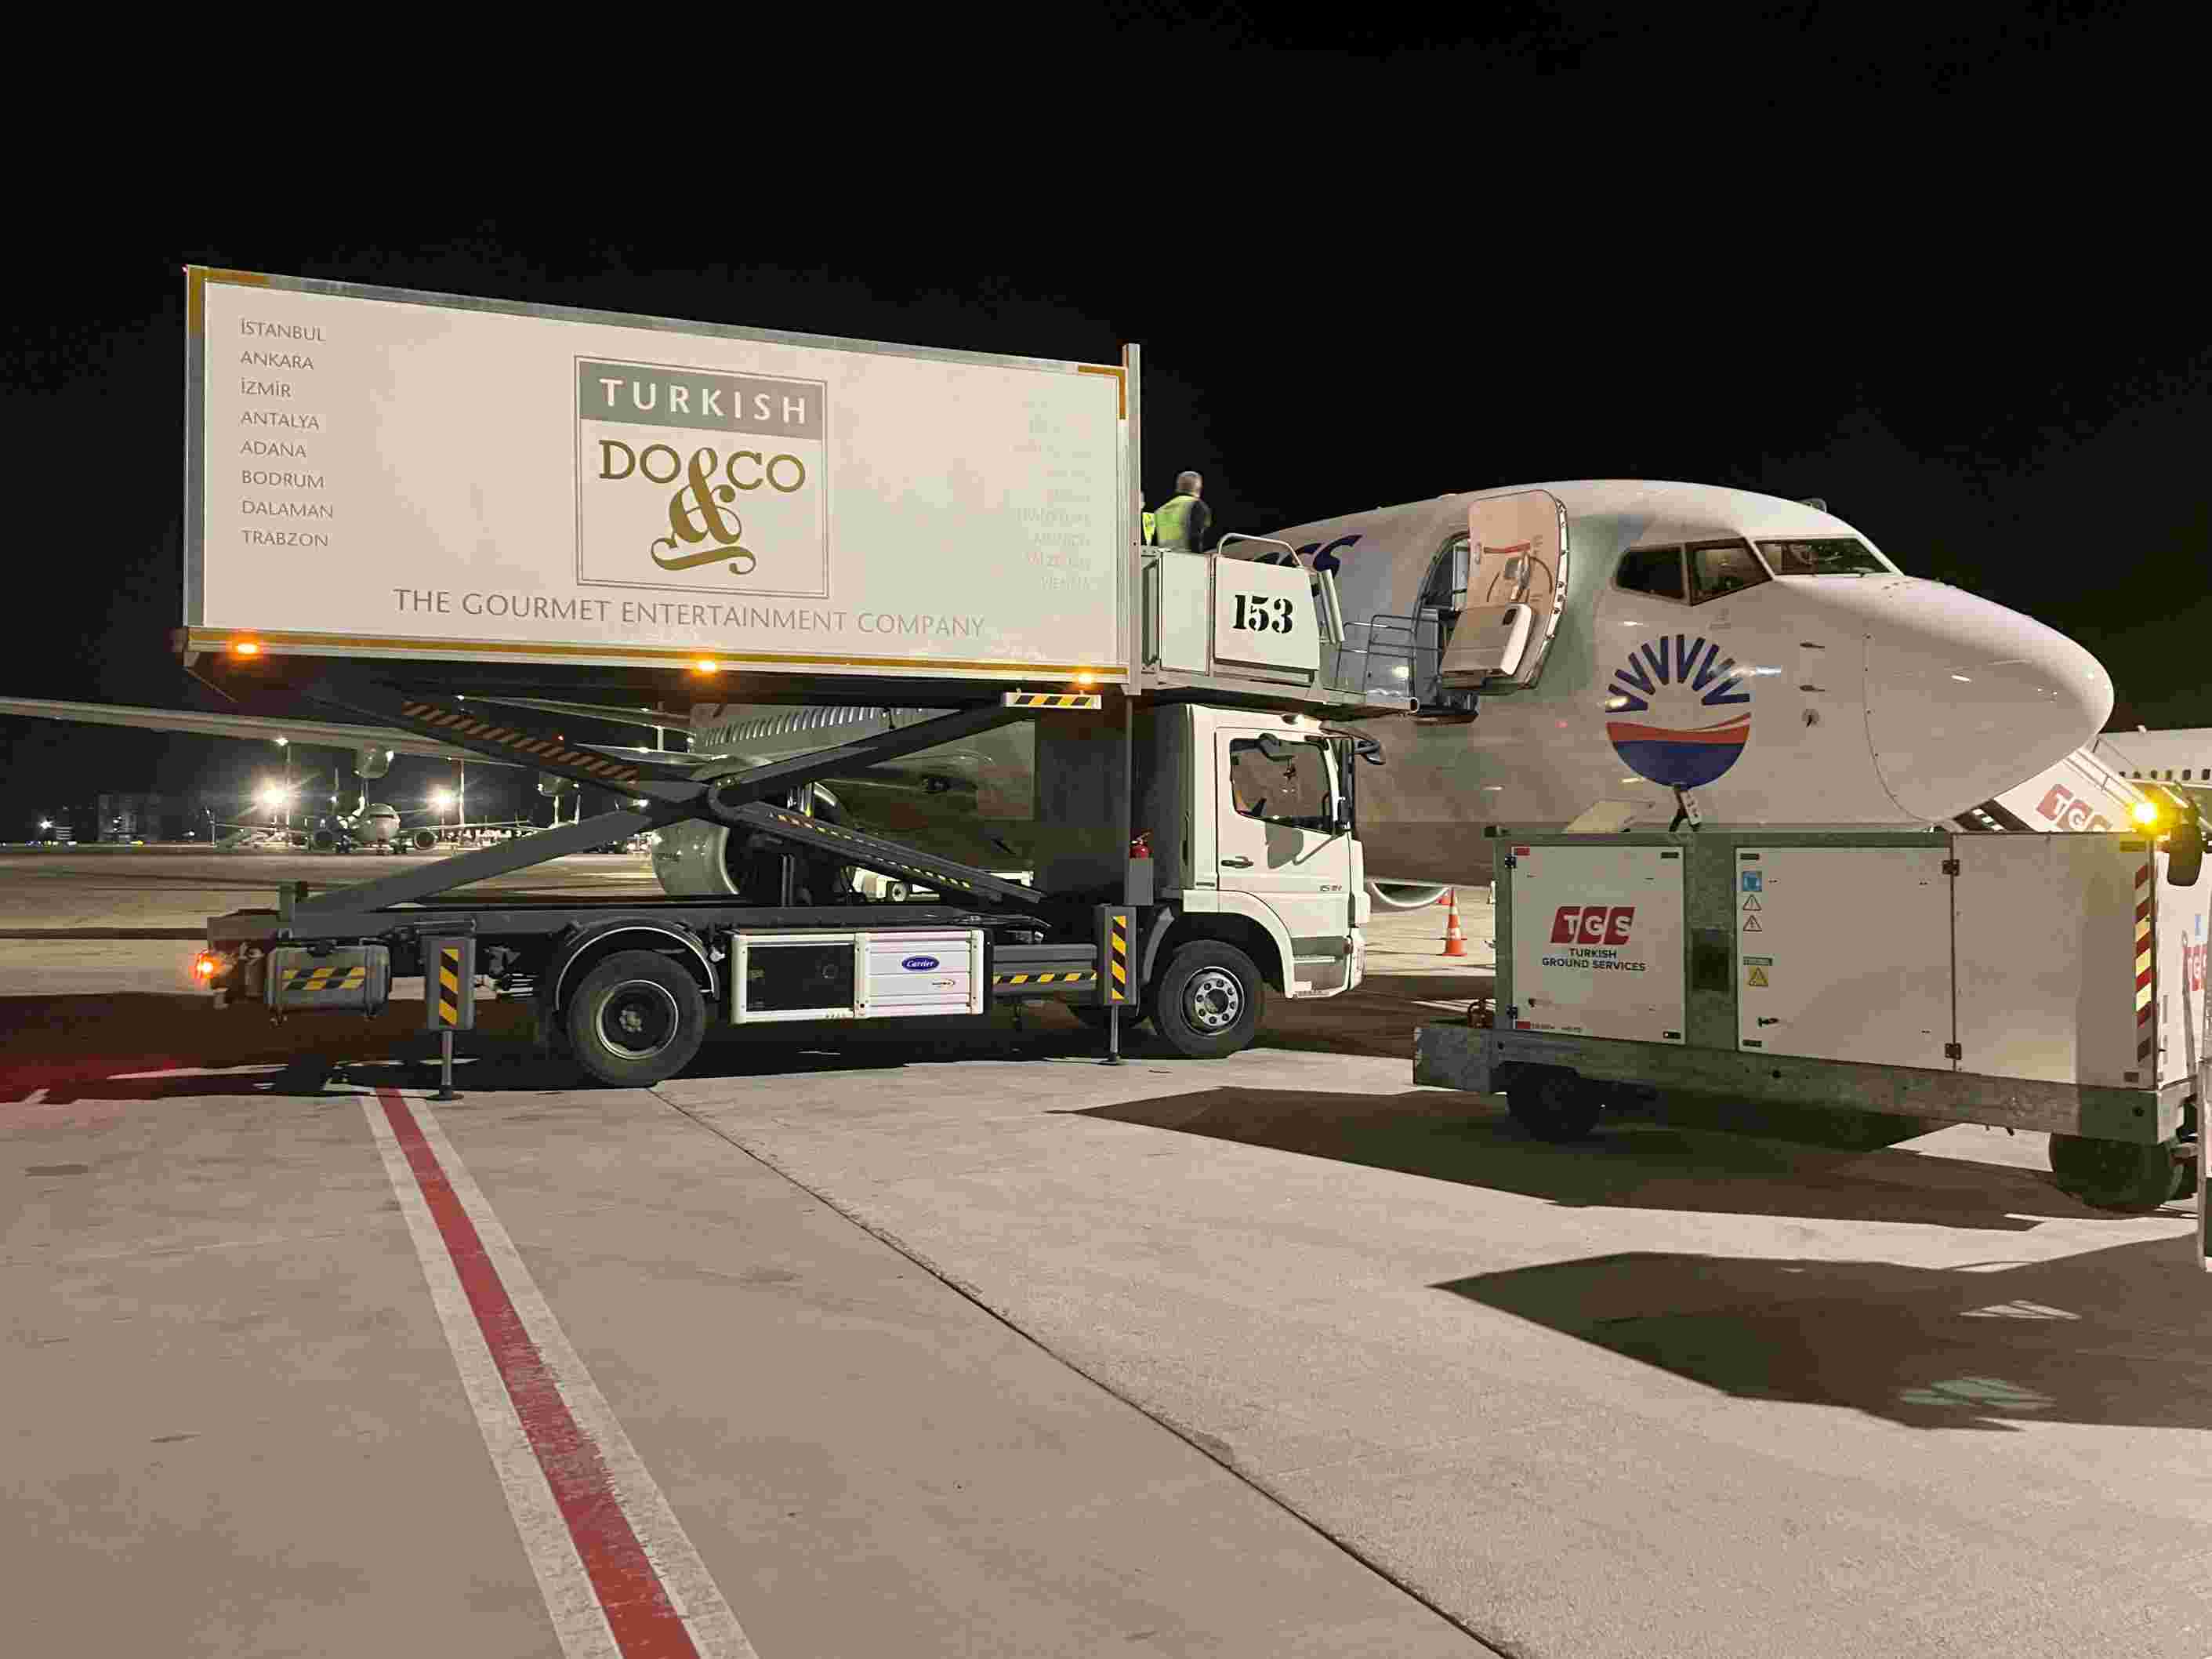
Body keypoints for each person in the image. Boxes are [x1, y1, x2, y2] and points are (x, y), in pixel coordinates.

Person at [1151, 470, 1212, 554]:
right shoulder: (1196, 505)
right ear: (1199, 488)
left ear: (1178, 487)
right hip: (1187, 558)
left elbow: (1154, 544)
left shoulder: (1160, 510)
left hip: (1163, 559)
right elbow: (1196, 537)